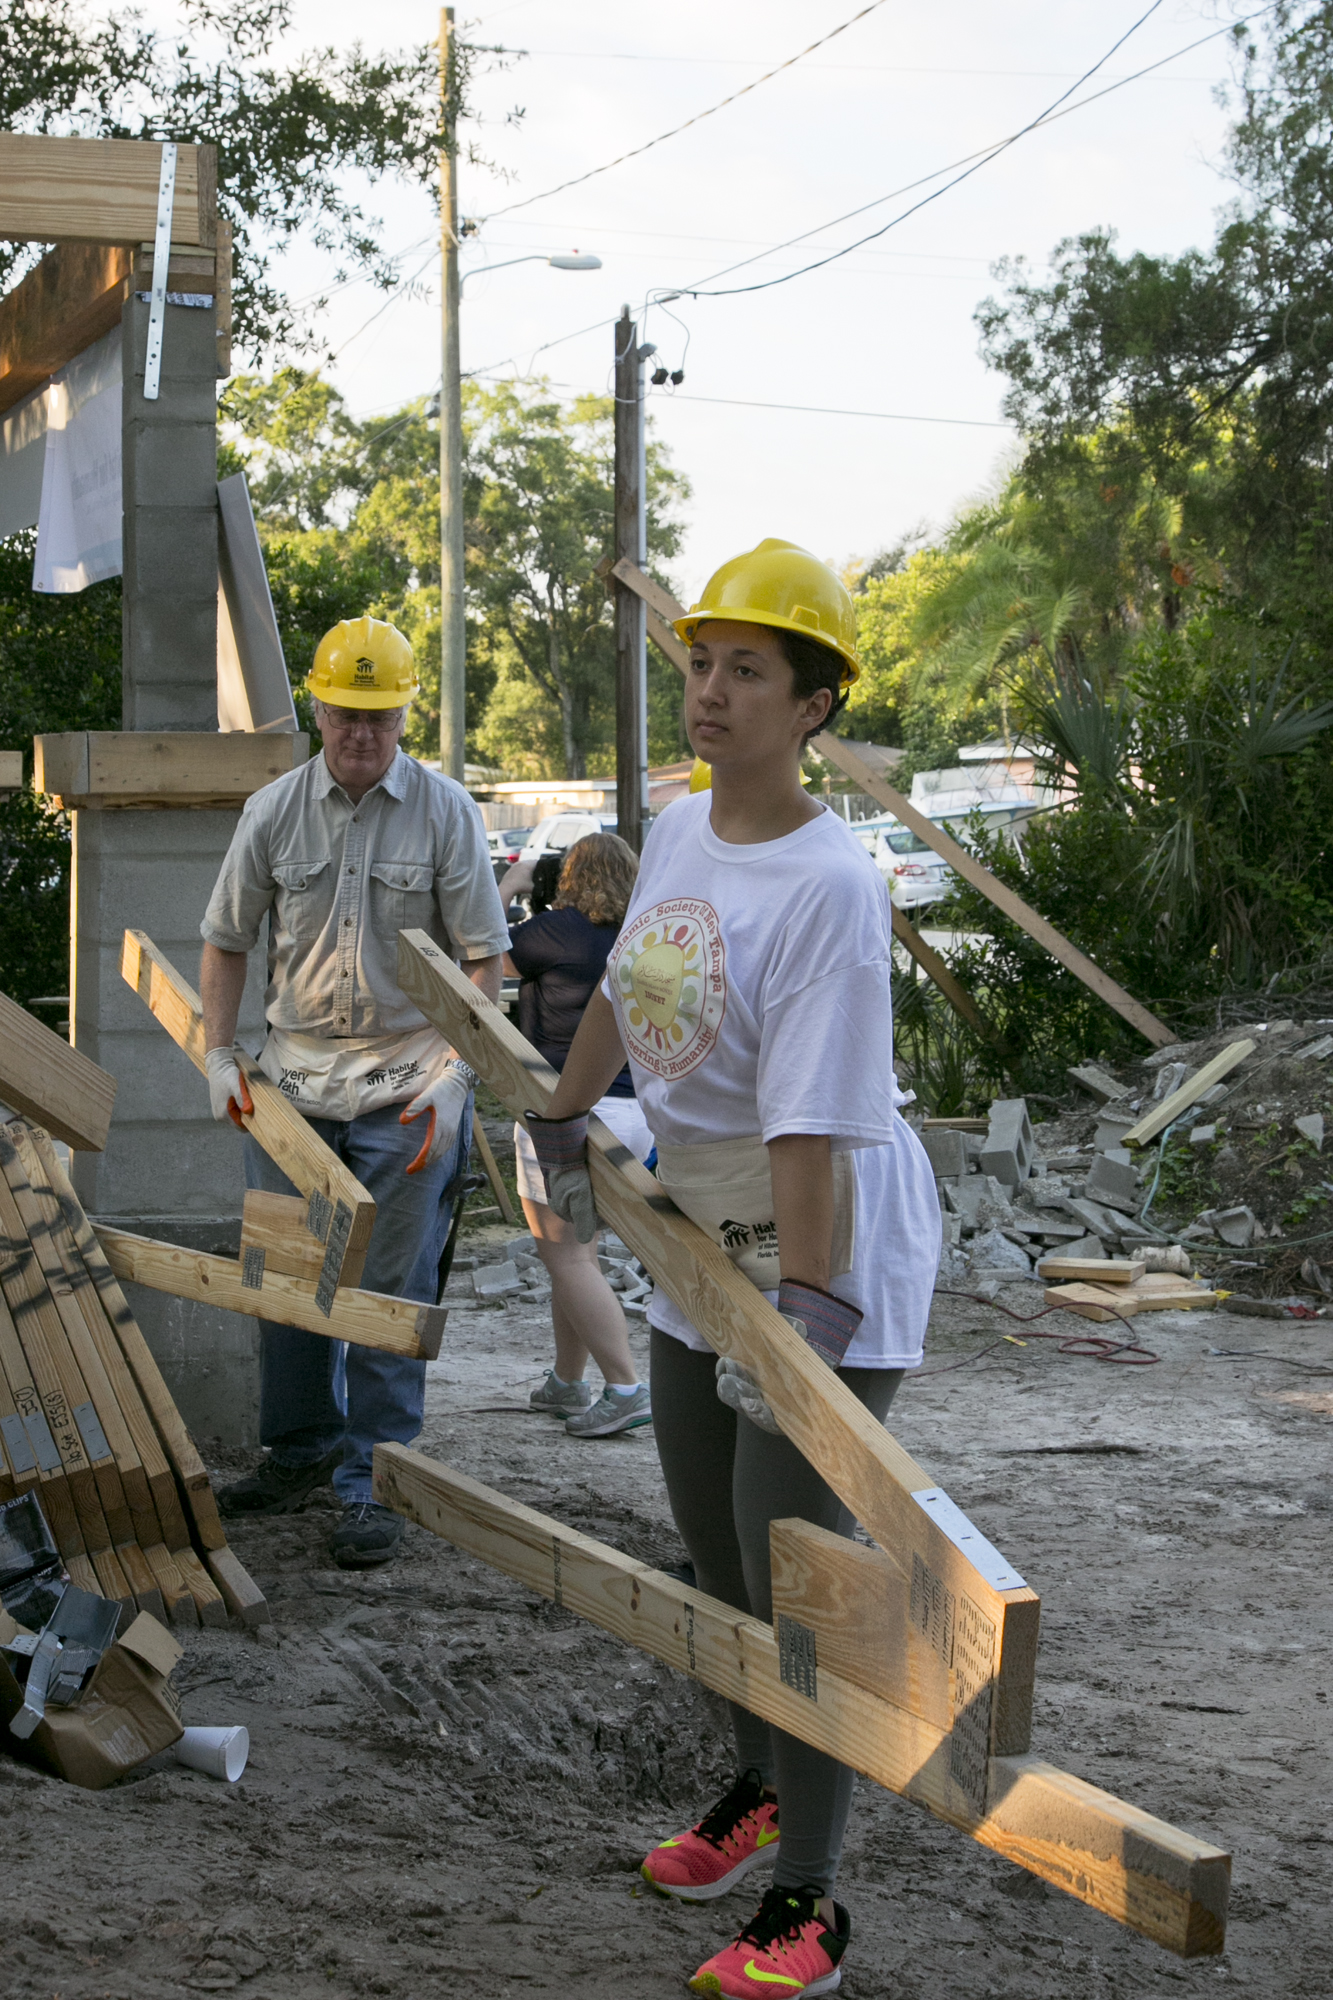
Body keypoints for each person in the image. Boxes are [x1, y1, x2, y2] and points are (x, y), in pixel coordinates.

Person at [522, 540, 940, 1998]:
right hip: (702, 1222)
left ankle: (811, 1903)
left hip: (821, 1247)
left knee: (795, 1576)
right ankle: (753, 1782)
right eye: (699, 662)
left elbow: (818, 1126)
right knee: (709, 1541)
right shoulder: (682, 827)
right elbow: (632, 994)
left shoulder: (829, 886)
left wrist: (806, 1331)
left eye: (745, 670)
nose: (708, 690)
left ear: (813, 704)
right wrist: (565, 1117)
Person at [198, 615, 509, 1570]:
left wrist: (458, 1079)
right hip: (290, 1089)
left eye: (379, 716)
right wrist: (220, 1054)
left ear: (405, 713)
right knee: (287, 1284)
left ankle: (373, 1480)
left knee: (388, 1289)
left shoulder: (446, 812)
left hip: (405, 1086)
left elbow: (483, 960)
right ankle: (298, 1452)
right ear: (318, 709)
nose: (360, 734)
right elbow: (225, 940)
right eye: (343, 714)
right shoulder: (274, 812)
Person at [500, 834, 655, 1439]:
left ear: (570, 876)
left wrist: (511, 886)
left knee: (566, 1255)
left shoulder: (556, 931)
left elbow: (483, 957)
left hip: (563, 1112)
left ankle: (624, 1387)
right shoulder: (643, 933)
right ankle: (568, 1382)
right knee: (576, 1255)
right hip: (636, 1114)